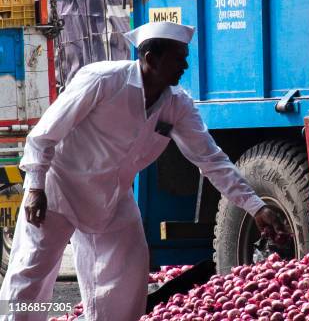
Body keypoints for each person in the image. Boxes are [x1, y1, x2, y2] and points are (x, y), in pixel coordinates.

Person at [0, 21, 287, 320]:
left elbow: (211, 159)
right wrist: (35, 187)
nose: (186, 65)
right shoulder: (102, 80)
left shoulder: (178, 105)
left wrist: (255, 206)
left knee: (128, 274)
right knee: (30, 273)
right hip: (59, 188)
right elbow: (44, 135)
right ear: (151, 58)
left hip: (112, 198)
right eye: (179, 57)